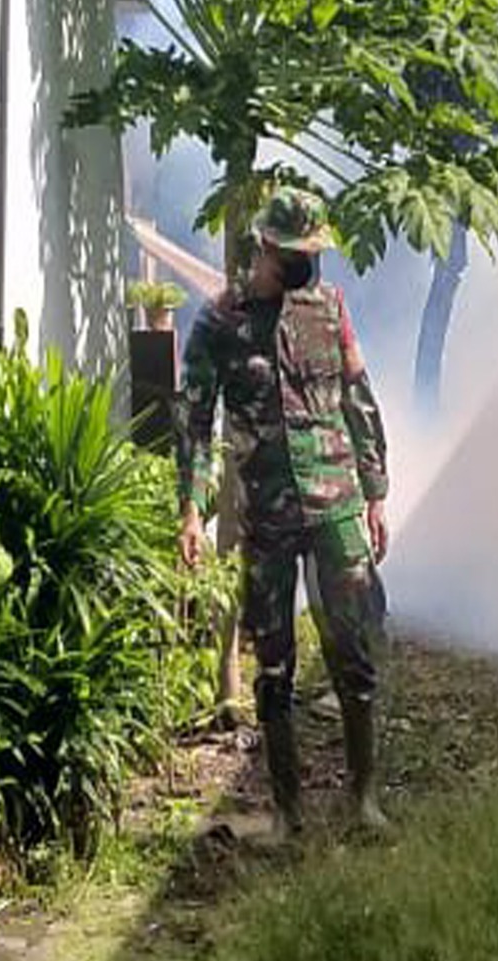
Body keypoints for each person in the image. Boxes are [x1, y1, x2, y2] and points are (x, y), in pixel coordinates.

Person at [176, 187, 392, 835]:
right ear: (267, 246)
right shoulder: (220, 322)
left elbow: (357, 398)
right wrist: (192, 511)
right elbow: (194, 423)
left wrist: (377, 493)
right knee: (274, 665)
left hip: (336, 507)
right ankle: (286, 813)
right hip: (266, 517)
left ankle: (363, 802)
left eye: (314, 251)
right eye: (297, 252)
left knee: (353, 652)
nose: (308, 262)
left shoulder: (330, 309)